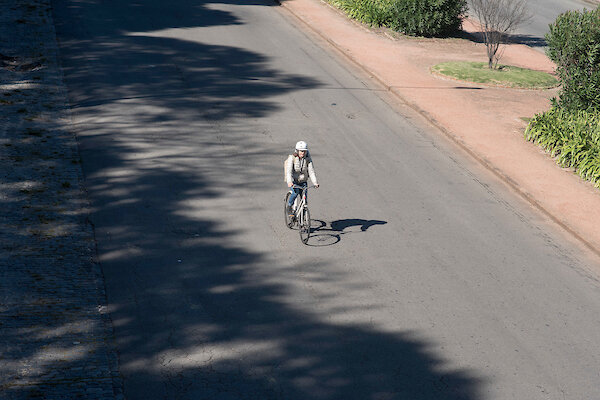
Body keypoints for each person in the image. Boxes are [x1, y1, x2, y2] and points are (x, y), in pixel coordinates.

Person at [285, 141, 319, 217]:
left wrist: (315, 183)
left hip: (303, 182)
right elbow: (289, 172)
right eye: (301, 151)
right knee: (295, 193)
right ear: (297, 151)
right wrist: (289, 182)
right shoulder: (292, 158)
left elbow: (311, 171)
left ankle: (303, 220)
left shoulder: (308, 159)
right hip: (294, 182)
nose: (302, 153)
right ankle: (289, 206)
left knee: (304, 201)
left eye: (304, 151)